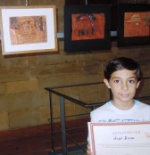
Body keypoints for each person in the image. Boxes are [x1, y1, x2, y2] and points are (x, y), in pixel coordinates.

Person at [87, 57, 150, 155]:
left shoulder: (148, 112)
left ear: (137, 84)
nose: (124, 87)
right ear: (107, 83)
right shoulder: (98, 115)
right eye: (117, 81)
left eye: (130, 81)